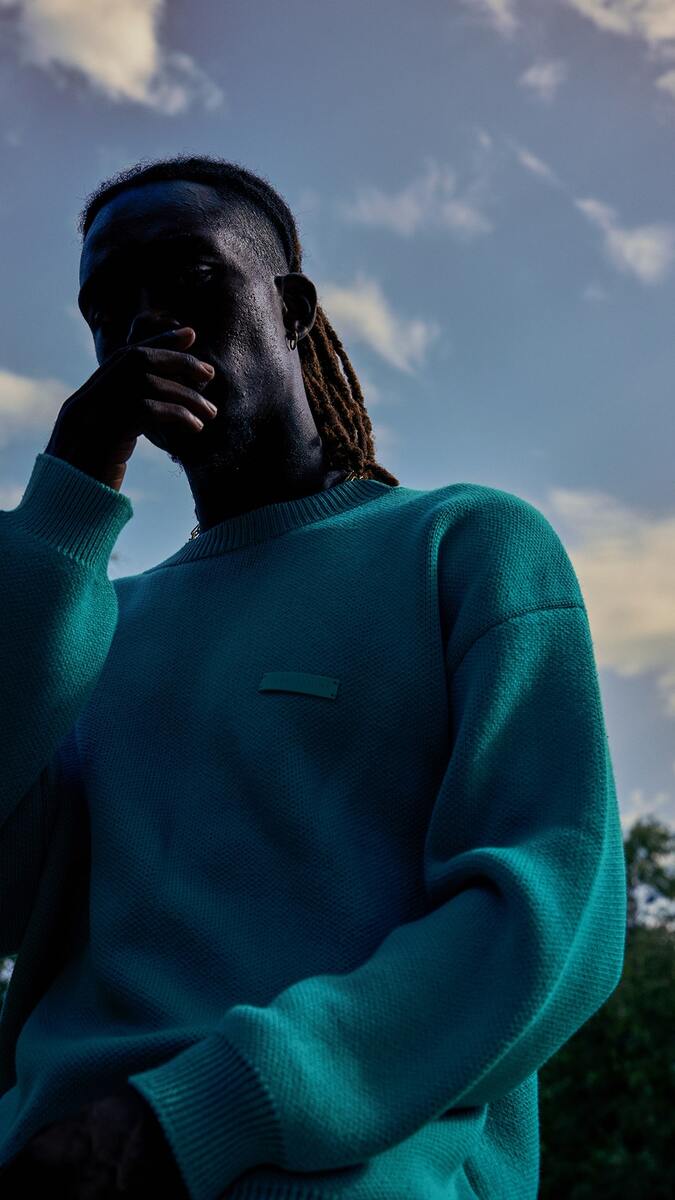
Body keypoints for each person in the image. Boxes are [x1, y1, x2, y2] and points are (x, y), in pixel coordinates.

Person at [0, 155, 627, 1199]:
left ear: (291, 311)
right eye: (107, 307)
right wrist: (66, 497)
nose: (146, 323)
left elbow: (549, 918)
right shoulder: (91, 626)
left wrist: (194, 1114)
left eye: (190, 277)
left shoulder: (464, 546)